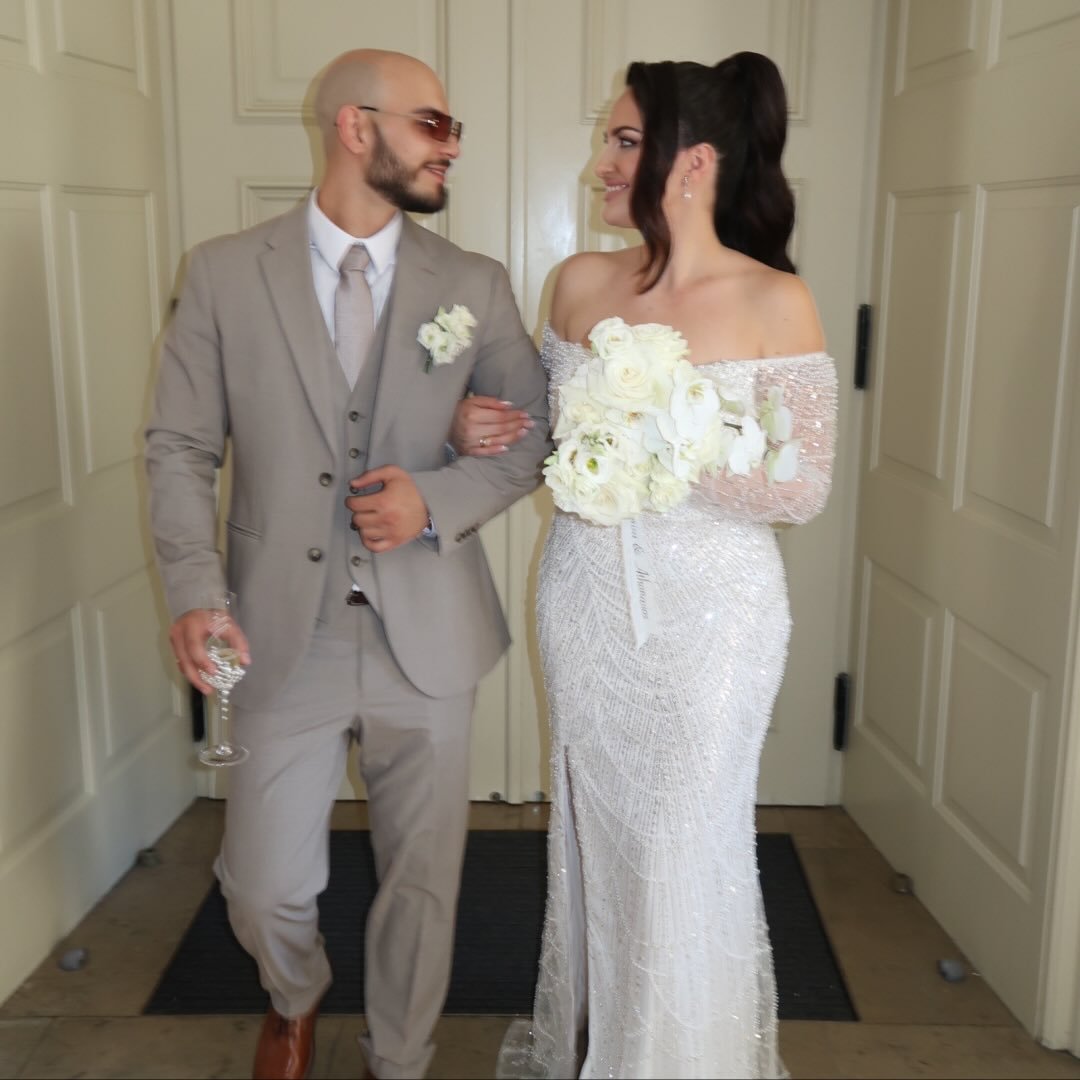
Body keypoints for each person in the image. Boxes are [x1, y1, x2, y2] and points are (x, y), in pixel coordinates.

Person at [145, 49, 549, 1080]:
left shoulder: (475, 283)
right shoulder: (224, 272)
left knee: (424, 878)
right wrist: (194, 590)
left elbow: (532, 437)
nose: (451, 147)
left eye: (453, 128)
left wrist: (436, 498)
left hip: (431, 631)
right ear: (355, 126)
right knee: (263, 885)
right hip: (281, 627)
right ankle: (296, 991)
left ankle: (399, 1058)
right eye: (432, 125)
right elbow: (181, 446)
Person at [452, 53, 837, 1078]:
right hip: (584, 599)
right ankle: (606, 1043)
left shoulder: (775, 299)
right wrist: (478, 426)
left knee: (680, 845)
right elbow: (549, 439)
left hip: (716, 615)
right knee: (603, 841)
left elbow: (802, 488)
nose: (602, 164)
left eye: (624, 141)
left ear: (693, 161)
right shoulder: (579, 283)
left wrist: (664, 450)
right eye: (608, 140)